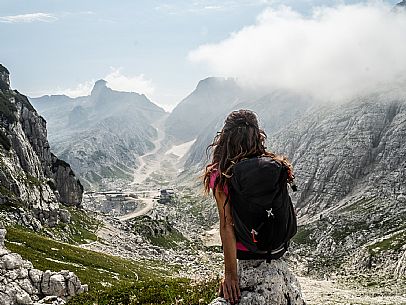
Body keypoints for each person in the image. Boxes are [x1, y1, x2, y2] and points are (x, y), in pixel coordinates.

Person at [203, 109, 305, 305]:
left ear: (225, 137)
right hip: (278, 249)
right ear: (258, 136)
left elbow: (227, 226)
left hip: (247, 251)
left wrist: (231, 275)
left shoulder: (221, 174)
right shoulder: (275, 165)